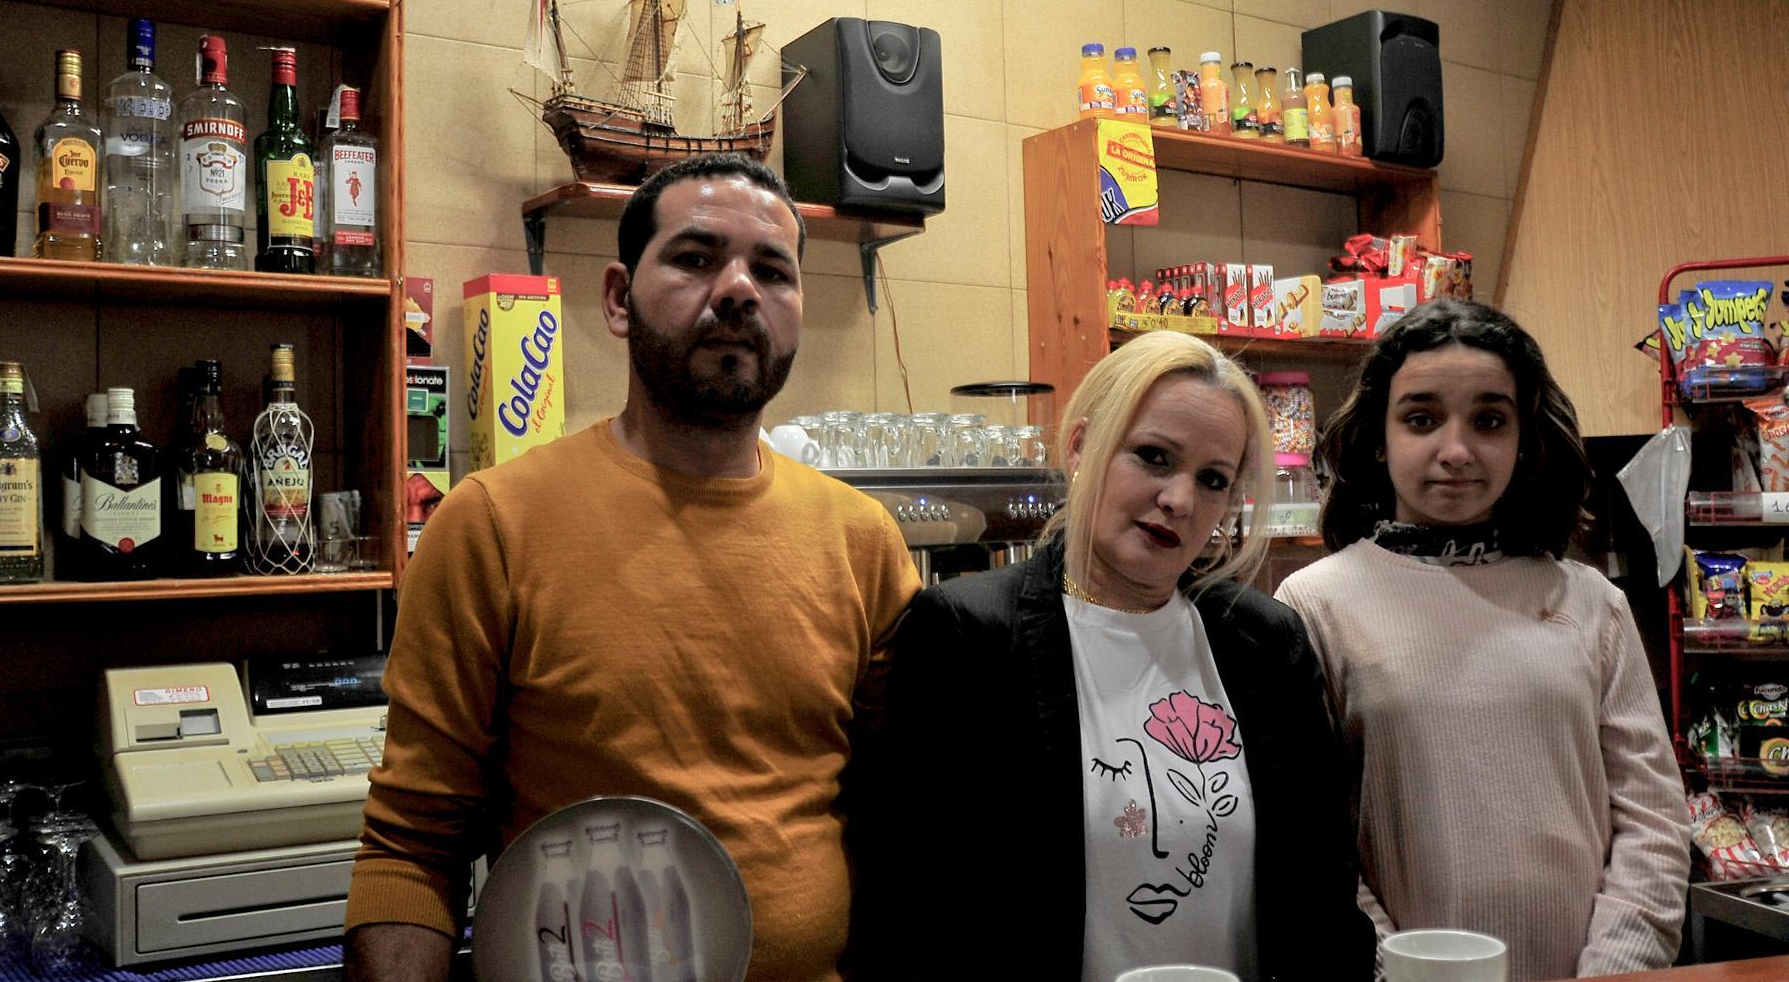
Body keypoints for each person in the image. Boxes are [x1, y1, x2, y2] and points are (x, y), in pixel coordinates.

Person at [344, 153, 922, 982]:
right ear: (619, 298)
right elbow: (412, 847)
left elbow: (889, 821)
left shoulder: (862, 541)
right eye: (694, 259)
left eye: (771, 271)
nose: (737, 290)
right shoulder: (494, 525)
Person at [855, 331, 1375, 981]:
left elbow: (1322, 893)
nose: (1180, 501)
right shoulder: (969, 636)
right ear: (1081, 447)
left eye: (1212, 480)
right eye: (1155, 457)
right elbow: (908, 907)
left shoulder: (1267, 645)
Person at [1274, 298, 1690, 980]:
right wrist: (1399, 969)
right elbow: (1310, 844)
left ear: (1525, 439)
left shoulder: (1592, 604)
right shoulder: (1315, 604)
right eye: (1421, 418)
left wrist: (1615, 969)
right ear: (1380, 437)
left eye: (1490, 420)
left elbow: (1655, 824)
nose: (1457, 450)